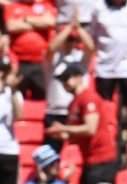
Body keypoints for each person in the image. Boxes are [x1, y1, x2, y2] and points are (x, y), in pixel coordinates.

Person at [47, 63, 118, 184]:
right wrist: (61, 135)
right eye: (62, 81)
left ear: (79, 77)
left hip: (102, 160)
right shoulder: (74, 103)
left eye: (67, 78)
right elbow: (76, 134)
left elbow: (90, 128)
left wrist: (64, 128)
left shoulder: (88, 97)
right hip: (89, 160)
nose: (65, 83)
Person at [89, 0, 127, 130]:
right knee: (104, 106)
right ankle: (108, 132)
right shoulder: (98, 8)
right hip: (105, 67)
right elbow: (92, 35)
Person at [44, 14, 95, 149]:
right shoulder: (53, 59)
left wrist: (77, 28)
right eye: (66, 40)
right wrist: (67, 29)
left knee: (77, 151)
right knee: (52, 155)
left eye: (71, 40)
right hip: (55, 113)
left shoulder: (80, 58)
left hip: (76, 112)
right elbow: (51, 48)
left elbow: (91, 47)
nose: (68, 43)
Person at [5, 0, 58, 99]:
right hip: (20, 62)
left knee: (43, 96)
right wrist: (38, 25)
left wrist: (25, 19)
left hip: (42, 62)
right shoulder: (12, 7)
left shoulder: (45, 5)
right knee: (16, 96)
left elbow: (49, 22)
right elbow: (11, 26)